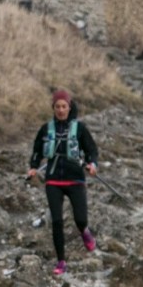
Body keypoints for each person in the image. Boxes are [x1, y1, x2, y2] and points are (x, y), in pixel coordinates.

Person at [27, 89, 99, 276]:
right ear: (53, 108)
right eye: (57, 107)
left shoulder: (80, 128)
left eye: (64, 106)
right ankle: (61, 261)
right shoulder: (46, 129)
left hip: (75, 179)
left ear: (69, 107)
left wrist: (92, 164)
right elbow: (37, 151)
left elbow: (91, 150)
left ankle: (85, 231)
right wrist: (33, 167)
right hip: (53, 180)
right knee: (57, 221)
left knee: (80, 219)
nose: (60, 110)